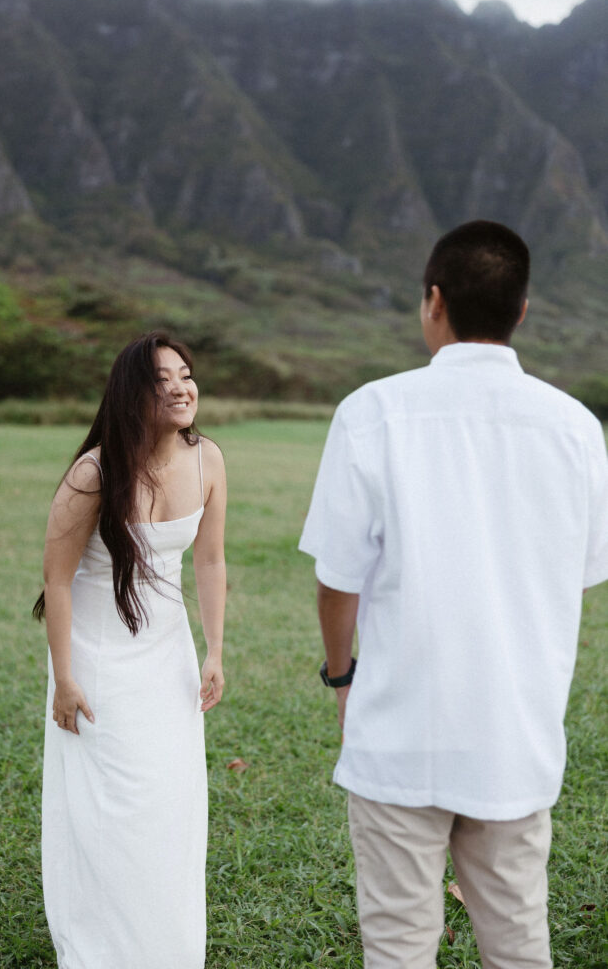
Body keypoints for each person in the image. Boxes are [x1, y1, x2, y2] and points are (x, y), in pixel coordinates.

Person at [299, 221, 608, 969]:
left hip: (400, 735)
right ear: (522, 310)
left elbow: (337, 578)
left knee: (399, 949)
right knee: (518, 946)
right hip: (515, 738)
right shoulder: (573, 427)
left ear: (432, 302)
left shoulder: (371, 411)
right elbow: (580, 571)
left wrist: (342, 675)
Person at [33, 330, 227, 969]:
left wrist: (214, 651)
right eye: (160, 378)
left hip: (166, 656)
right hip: (95, 655)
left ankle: (163, 941)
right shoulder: (93, 472)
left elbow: (210, 558)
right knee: (108, 806)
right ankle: (102, 945)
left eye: (186, 373)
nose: (180, 386)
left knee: (167, 802)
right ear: (130, 394)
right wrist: (65, 678)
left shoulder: (210, 461)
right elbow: (56, 580)